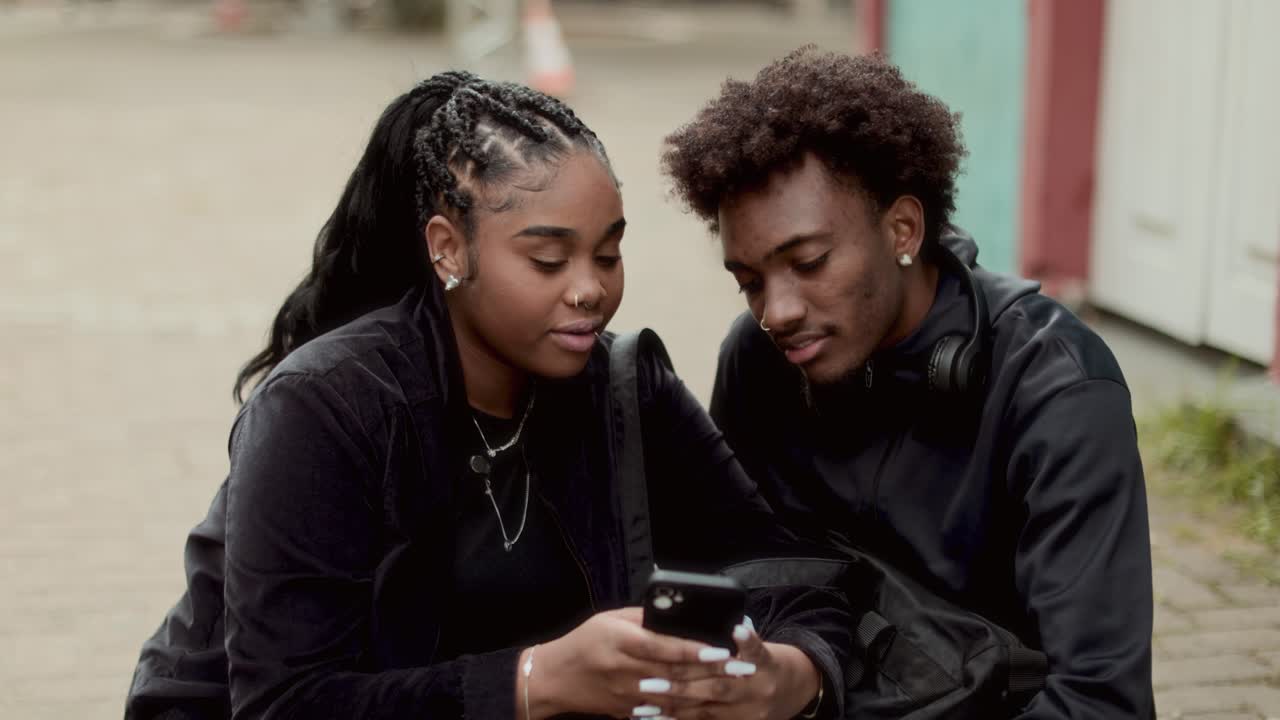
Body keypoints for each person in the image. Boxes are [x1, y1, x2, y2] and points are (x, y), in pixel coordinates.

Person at [124, 71, 848, 720]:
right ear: (449, 248)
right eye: (547, 258)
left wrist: (789, 675)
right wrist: (535, 680)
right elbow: (286, 701)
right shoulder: (323, 409)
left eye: (608, 253)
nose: (590, 289)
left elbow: (779, 568)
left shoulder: (625, 388)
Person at [660, 47, 1155, 717]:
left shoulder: (1057, 389)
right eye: (748, 281)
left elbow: (1100, 702)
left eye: (807, 262)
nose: (776, 312)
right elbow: (753, 570)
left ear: (903, 228)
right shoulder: (756, 357)